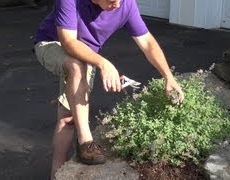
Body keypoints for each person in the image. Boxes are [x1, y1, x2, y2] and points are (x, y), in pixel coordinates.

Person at [33, 0, 185, 179]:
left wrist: (169, 77)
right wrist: (103, 63)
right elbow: (68, 42)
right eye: (112, 1)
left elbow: (147, 43)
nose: (118, 5)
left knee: (69, 118)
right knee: (76, 66)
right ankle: (86, 142)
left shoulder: (125, 3)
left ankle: (56, 175)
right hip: (51, 43)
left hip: (85, 55)